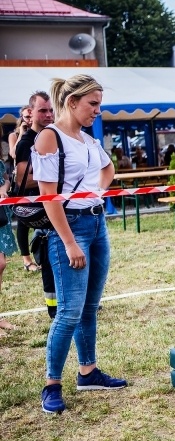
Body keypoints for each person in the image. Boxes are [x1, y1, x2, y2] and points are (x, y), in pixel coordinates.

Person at [32, 75, 125, 414]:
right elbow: (48, 197)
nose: (98, 110)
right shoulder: (49, 137)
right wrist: (70, 242)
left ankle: (88, 372)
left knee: (89, 307)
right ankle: (51, 384)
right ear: (72, 102)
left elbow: (108, 168)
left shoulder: (86, 138)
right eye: (93, 104)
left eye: (99, 104)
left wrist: (95, 194)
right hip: (69, 228)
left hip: (96, 224)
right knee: (69, 311)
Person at [15, 93, 53, 274]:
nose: (49, 115)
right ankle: (27, 259)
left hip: (54, 205)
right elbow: (22, 181)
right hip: (36, 206)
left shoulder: (55, 136)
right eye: (43, 110)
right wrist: (56, 178)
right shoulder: (26, 142)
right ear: (31, 112)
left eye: (51, 110)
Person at [0, 150, 19, 296]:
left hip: (1, 217)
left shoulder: (0, 163)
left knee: (1, 265)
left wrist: (3, 188)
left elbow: (6, 179)